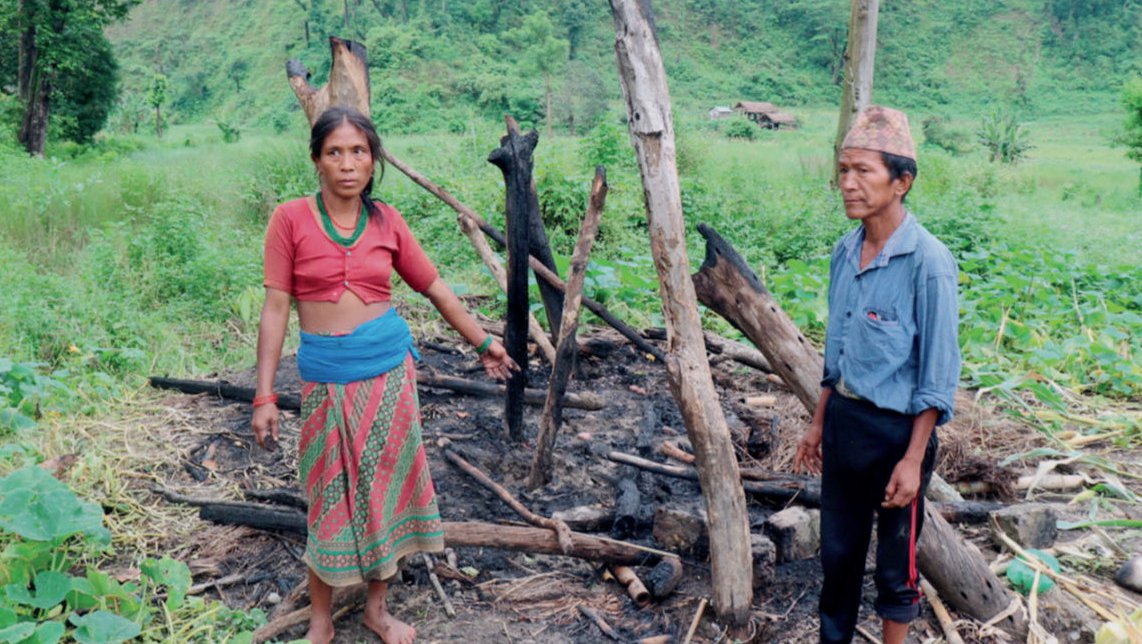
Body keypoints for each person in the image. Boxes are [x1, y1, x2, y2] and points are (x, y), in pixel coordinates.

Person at [251, 106, 518, 644]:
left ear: (373, 160)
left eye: (359, 152)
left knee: (384, 491)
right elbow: (276, 309)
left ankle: (377, 609)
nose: (348, 163)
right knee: (327, 496)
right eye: (335, 152)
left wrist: (484, 342)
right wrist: (264, 395)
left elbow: (435, 288)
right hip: (326, 379)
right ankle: (321, 621)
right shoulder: (290, 219)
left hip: (388, 377)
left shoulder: (387, 221)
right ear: (316, 159)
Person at [793, 106, 961, 644]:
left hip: (898, 436)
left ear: (901, 181)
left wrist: (912, 460)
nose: (848, 183)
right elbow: (837, 353)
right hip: (845, 425)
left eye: (863, 171)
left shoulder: (928, 263)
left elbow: (937, 374)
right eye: (844, 170)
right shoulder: (845, 252)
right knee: (838, 556)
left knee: (895, 565)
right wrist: (818, 423)